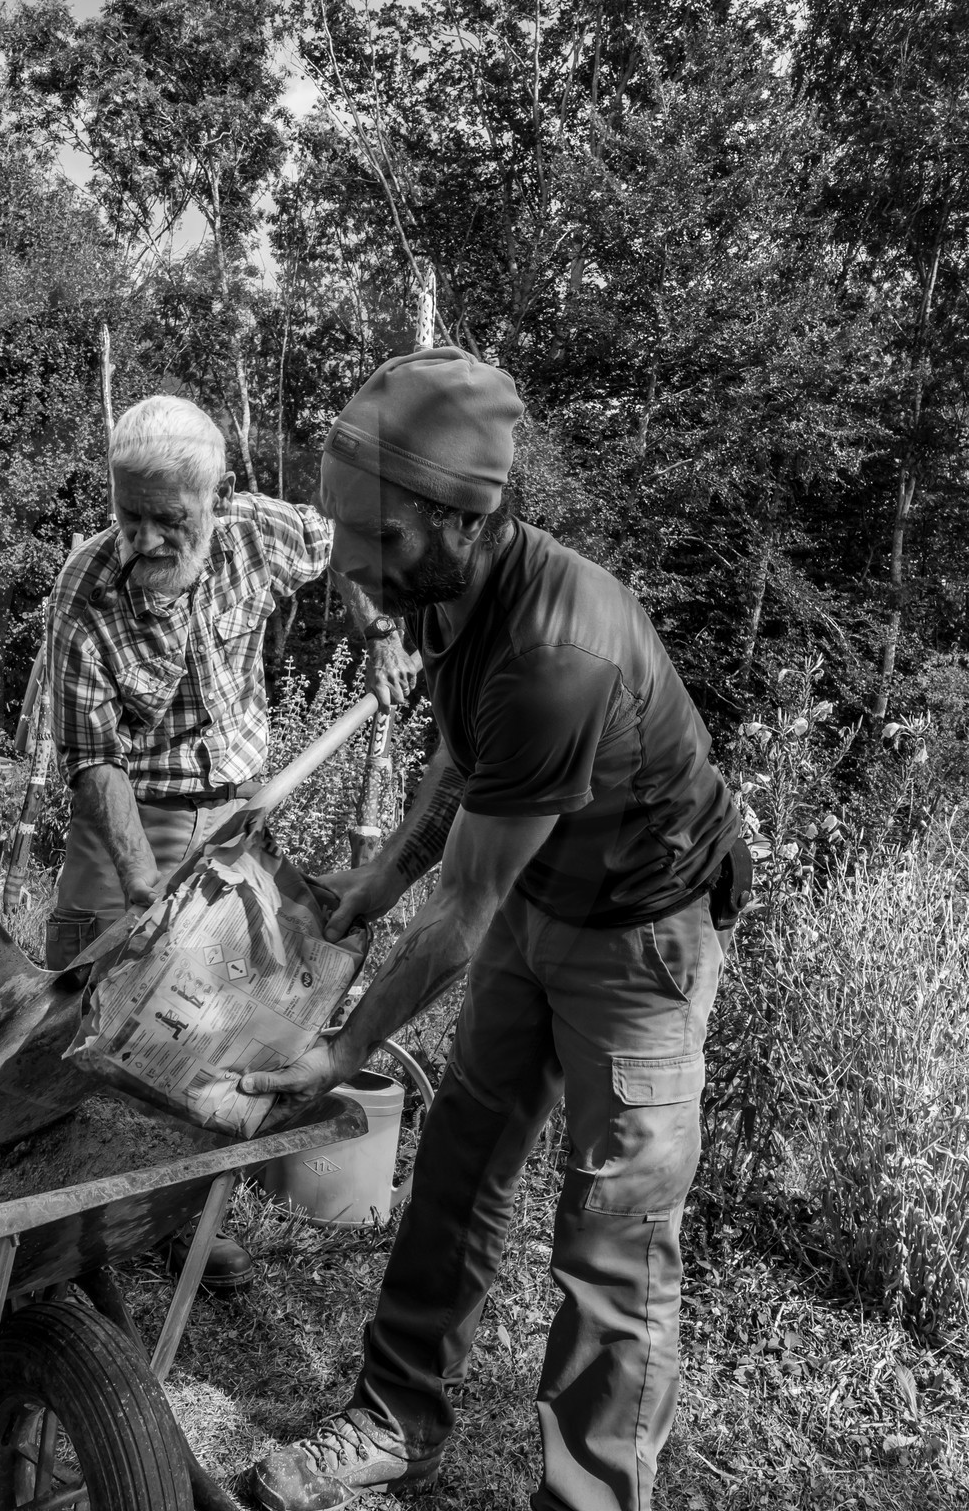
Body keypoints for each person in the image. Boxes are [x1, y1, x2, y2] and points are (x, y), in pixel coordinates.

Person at [240, 348, 742, 1511]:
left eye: (377, 542)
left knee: (613, 1233)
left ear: (460, 517)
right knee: (459, 1165)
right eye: (343, 533)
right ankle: (395, 1420)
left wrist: (344, 1050)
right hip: (536, 900)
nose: (352, 570)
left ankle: (591, 1497)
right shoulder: (454, 594)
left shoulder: (557, 651)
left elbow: (461, 914)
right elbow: (458, 769)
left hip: (641, 939)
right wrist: (372, 882)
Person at [46, 393, 416, 1290]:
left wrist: (377, 628)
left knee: (220, 1024)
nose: (144, 539)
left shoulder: (262, 535)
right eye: (127, 514)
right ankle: (68, 1222)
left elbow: (351, 546)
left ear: (216, 500)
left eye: (169, 518)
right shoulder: (87, 590)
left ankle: (180, 1219)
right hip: (132, 818)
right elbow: (96, 767)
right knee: (101, 1019)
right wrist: (146, 897)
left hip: (242, 817)